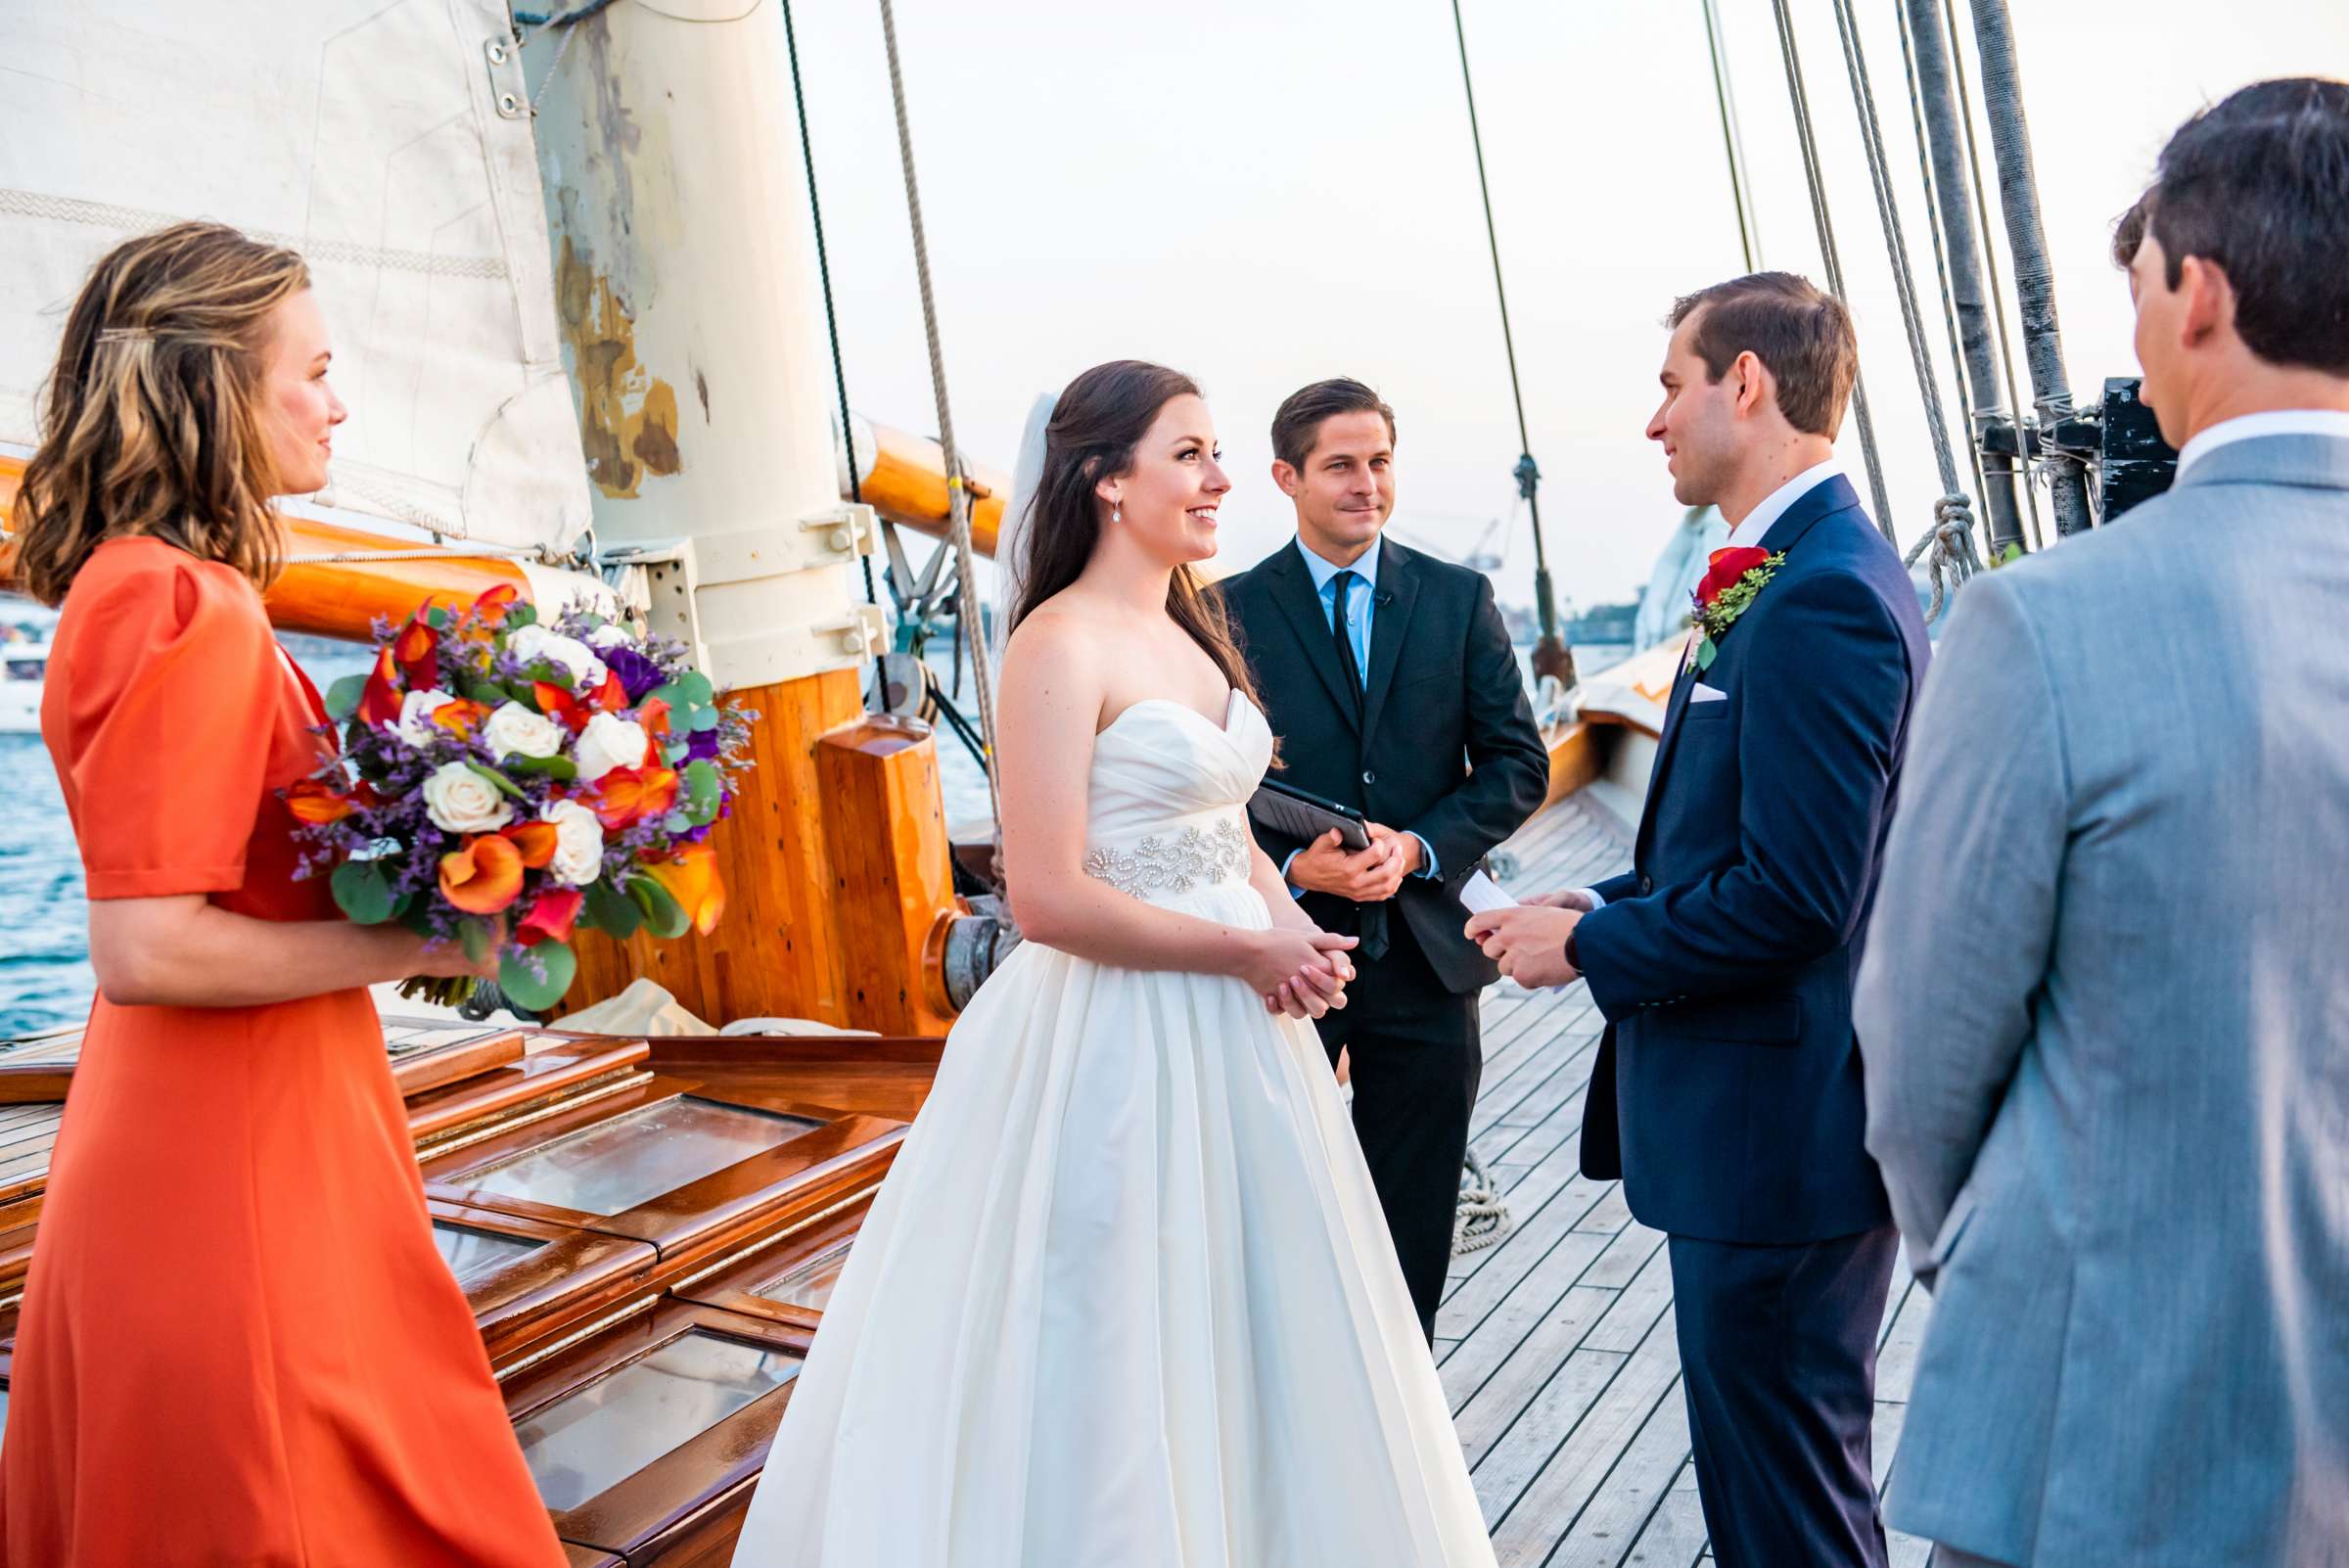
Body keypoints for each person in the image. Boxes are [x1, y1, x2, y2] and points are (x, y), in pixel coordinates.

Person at [732, 360, 1498, 1566]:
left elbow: (1225, 825)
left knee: (1265, 1321)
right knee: (1122, 1330)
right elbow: (1044, 897)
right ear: (1104, 480)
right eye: (1189, 454)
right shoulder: (1056, 642)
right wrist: (1248, 951)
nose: (1220, 479)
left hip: (1248, 1037)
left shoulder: (1195, 633)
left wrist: (1283, 922)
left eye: (1213, 453)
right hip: (1119, 1038)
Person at [0, 223, 565, 1566]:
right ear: (215, 389)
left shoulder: (142, 587)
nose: (338, 400)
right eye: (312, 369)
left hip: (239, 1123)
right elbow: (146, 946)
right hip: (230, 1162)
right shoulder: (181, 607)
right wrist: (428, 931)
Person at [1854, 77, 2349, 1568]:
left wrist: (2030, 1270)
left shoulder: (2044, 625)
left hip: (2117, 1448)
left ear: (2196, 294)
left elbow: (1922, 1050)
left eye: (2138, 287)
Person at [1469, 273, 1929, 1567]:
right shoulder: (1773, 578)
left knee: (1792, 1520)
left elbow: (1801, 895)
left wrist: (1593, 949)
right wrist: (1594, 897)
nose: (1653, 419)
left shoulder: (1820, 597)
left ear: (1745, 382)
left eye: (1672, 382)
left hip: (1781, 1152)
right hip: (1757, 1144)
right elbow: (1731, 844)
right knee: (1769, 1507)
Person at [1213, 378, 1548, 1342]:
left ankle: (1403, 1443)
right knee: (1277, 1216)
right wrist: (1290, 872)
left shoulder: (1457, 599)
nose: (1368, 484)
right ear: (1287, 477)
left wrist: (1416, 844)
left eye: (1380, 462)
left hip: (1432, 960)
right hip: (1288, 957)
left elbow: (1519, 765)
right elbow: (1215, 788)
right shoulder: (1225, 614)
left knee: (1412, 1229)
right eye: (1342, 466)